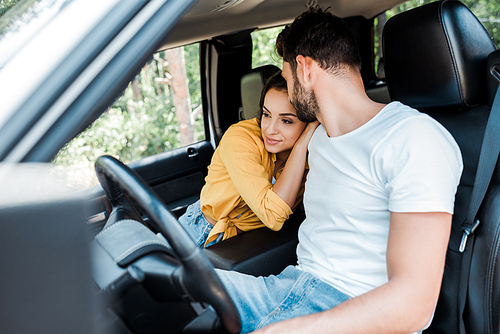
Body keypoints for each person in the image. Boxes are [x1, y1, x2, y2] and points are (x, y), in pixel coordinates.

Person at [216, 6, 463, 334]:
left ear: (304, 69)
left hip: (355, 310)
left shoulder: (413, 137)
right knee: (168, 285)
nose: (289, 94)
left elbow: (414, 304)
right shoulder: (318, 136)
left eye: (287, 80)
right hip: (287, 287)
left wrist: (295, 329)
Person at [176, 72, 318, 248]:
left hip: (246, 244)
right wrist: (300, 146)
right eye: (266, 115)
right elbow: (273, 216)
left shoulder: (315, 157)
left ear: (309, 122)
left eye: (286, 121)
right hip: (197, 232)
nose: (270, 129)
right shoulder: (241, 138)